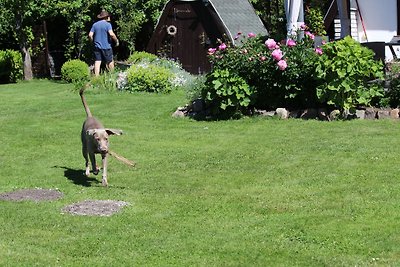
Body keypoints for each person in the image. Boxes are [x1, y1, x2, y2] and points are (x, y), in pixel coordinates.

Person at [88, 10, 119, 76]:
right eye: (109, 17)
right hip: (106, 47)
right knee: (110, 61)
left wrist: (92, 42)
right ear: (107, 17)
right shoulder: (108, 24)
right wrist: (116, 41)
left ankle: (96, 77)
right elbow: (111, 34)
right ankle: (112, 75)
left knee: (97, 61)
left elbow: (90, 35)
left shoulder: (95, 24)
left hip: (97, 46)